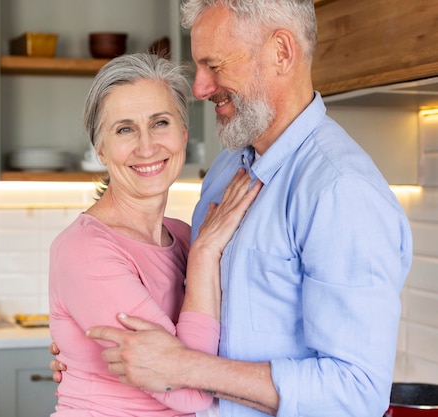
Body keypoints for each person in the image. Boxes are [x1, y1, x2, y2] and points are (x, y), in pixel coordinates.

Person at [54, 1, 413, 416]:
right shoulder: (227, 168)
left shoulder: (339, 191)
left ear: (281, 52)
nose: (201, 88)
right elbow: (184, 319)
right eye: (124, 129)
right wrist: (84, 357)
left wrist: (183, 367)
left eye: (215, 65)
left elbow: (357, 392)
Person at [49, 52, 261, 416]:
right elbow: (189, 394)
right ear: (100, 149)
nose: (147, 146)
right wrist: (205, 254)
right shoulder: (85, 250)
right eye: (125, 129)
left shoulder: (182, 237)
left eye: (160, 122)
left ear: (182, 133)